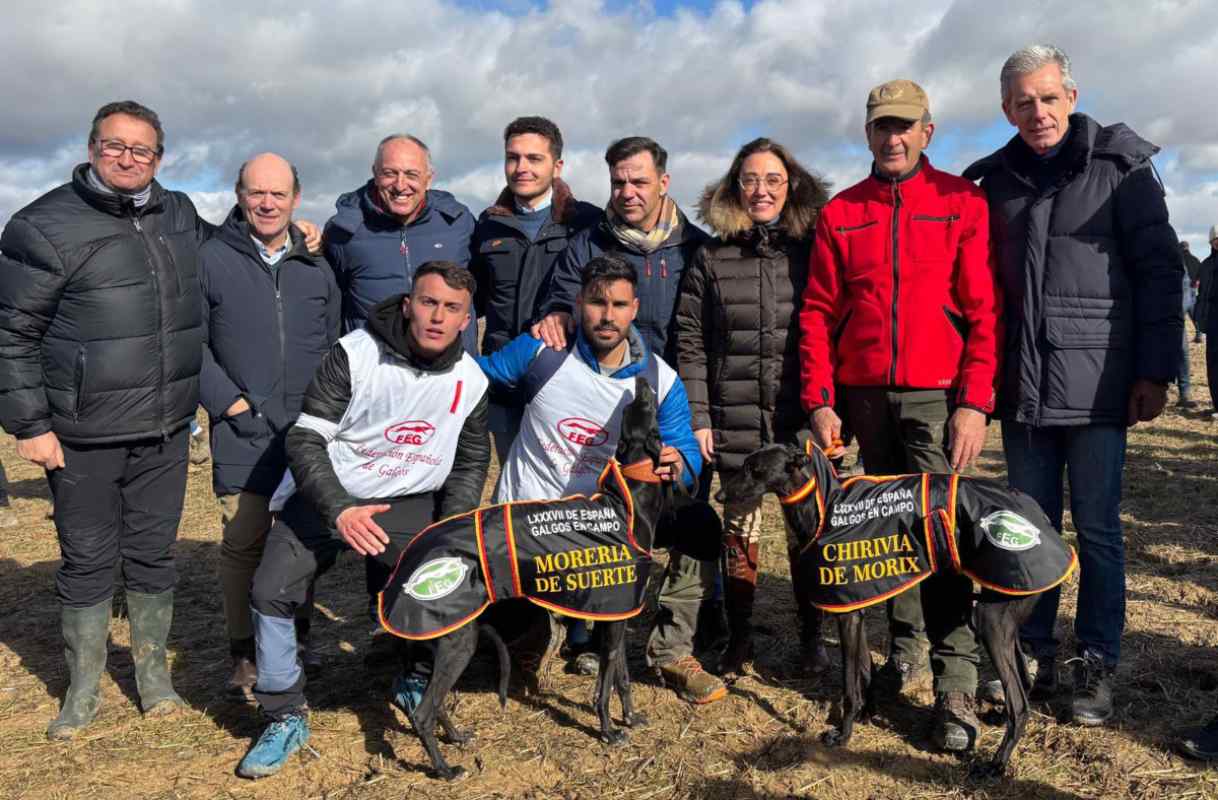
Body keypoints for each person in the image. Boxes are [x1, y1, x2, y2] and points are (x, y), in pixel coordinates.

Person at [964, 44, 1182, 726]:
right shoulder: (992, 183)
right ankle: (1027, 648)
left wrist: (1155, 369)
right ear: (1006, 110)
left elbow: (1158, 273)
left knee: (1097, 528)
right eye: (1023, 102)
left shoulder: (1122, 171)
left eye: (1049, 97)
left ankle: (1093, 661)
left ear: (1072, 97)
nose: (1038, 112)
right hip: (1023, 390)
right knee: (1027, 528)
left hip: (1098, 388)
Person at [800, 80, 1002, 752]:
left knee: (941, 538)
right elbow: (819, 313)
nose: (892, 138)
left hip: (934, 397)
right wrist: (821, 399)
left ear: (928, 132)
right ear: (867, 134)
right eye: (881, 127)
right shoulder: (842, 212)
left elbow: (983, 312)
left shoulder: (960, 203)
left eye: (904, 127)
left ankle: (956, 684)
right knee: (883, 537)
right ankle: (904, 652)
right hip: (861, 398)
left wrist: (974, 401)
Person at [0, 101, 210, 739]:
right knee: (87, 559)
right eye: (114, 146)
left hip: (166, 429)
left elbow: (229, 259)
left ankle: (154, 680)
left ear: (159, 158)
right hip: (81, 434)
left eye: (141, 150)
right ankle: (82, 690)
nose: (127, 159)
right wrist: (30, 424)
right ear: (92, 147)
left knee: (153, 557)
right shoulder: (42, 226)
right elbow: (11, 334)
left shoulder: (178, 214)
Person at [237, 262, 490, 779]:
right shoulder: (355, 354)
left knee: (438, 583)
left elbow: (469, 463)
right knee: (270, 589)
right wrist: (340, 507)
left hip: (409, 497)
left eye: (452, 308)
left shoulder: (472, 379)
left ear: (467, 320)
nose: (437, 317)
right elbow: (305, 439)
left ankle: (413, 678)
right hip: (332, 492)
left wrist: (450, 530)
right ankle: (284, 712)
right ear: (407, 304)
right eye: (428, 302)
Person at [481, 256, 726, 704]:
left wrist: (679, 465)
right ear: (578, 304)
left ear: (634, 309)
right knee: (512, 647)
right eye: (596, 302)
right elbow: (471, 378)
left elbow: (688, 455)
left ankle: (671, 651)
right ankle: (539, 631)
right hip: (535, 518)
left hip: (609, 521)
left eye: (618, 304)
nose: (606, 315)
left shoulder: (659, 377)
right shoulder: (541, 351)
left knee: (700, 523)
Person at [675, 137, 832, 676]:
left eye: (772, 180)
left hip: (800, 419)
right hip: (732, 416)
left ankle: (813, 635)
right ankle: (740, 638)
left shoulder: (814, 251)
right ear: (733, 187)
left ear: (792, 188)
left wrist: (831, 409)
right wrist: (698, 416)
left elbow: (834, 326)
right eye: (750, 179)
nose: (760, 190)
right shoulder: (712, 256)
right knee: (739, 534)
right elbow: (690, 341)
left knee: (807, 533)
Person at [198, 153, 340, 701]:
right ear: (239, 195)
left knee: (300, 540)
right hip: (243, 432)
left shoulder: (315, 267)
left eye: (278, 194)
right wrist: (228, 403)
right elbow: (192, 341)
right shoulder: (211, 259)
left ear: (296, 199)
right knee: (243, 541)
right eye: (257, 192)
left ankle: (294, 643)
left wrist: (327, 415)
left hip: (305, 432)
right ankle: (244, 652)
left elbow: (333, 346)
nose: (267, 203)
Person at [322, 133, 478, 627]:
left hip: (441, 387)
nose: (401, 184)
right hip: (378, 388)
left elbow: (480, 293)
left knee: (438, 494)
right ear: (374, 174)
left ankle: (431, 610)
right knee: (384, 498)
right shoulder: (345, 232)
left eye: (412, 174)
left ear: (429, 178)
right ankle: (386, 617)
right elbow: (330, 300)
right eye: (390, 173)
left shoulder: (460, 225)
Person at [470, 116, 598, 461]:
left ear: (557, 166)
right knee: (514, 491)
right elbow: (474, 300)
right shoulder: (488, 224)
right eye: (513, 158)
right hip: (504, 386)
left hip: (564, 381)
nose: (521, 167)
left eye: (534, 159)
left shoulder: (587, 224)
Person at [532, 136, 708, 365]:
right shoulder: (585, 245)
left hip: (676, 388)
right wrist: (559, 313)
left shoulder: (696, 248)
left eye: (639, 183)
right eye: (618, 183)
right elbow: (563, 295)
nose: (627, 193)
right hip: (606, 386)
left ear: (663, 183)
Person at [1202, 226, 1218, 413]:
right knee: (1213, 366)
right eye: (1215, 239)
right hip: (1211, 323)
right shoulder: (1206, 264)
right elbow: (1202, 294)